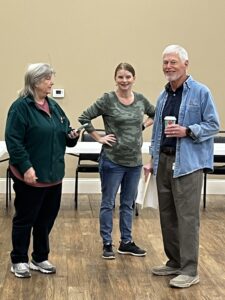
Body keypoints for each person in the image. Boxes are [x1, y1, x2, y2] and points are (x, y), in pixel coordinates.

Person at [144, 45, 220, 288]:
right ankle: (174, 261)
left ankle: (190, 269)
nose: (168, 66)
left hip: (187, 164)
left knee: (187, 217)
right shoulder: (163, 95)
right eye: (165, 62)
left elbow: (213, 125)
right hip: (164, 160)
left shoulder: (200, 92)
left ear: (185, 64)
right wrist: (152, 159)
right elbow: (157, 131)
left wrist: (188, 131)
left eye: (173, 62)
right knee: (167, 215)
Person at [5, 63, 80, 278]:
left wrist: (71, 136)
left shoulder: (53, 106)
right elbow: (14, 141)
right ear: (36, 82)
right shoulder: (20, 107)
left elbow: (64, 133)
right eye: (48, 79)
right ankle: (19, 259)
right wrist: (26, 167)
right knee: (25, 218)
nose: (51, 82)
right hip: (30, 176)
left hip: (53, 175)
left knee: (46, 219)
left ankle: (39, 257)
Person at [78, 63, 155, 259]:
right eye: (120, 77)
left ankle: (126, 242)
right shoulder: (108, 99)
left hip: (134, 162)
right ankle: (107, 243)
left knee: (128, 204)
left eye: (128, 77)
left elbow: (156, 114)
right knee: (108, 203)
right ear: (115, 79)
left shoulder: (140, 100)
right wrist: (99, 137)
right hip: (112, 161)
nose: (124, 81)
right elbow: (84, 117)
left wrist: (143, 126)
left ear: (134, 78)